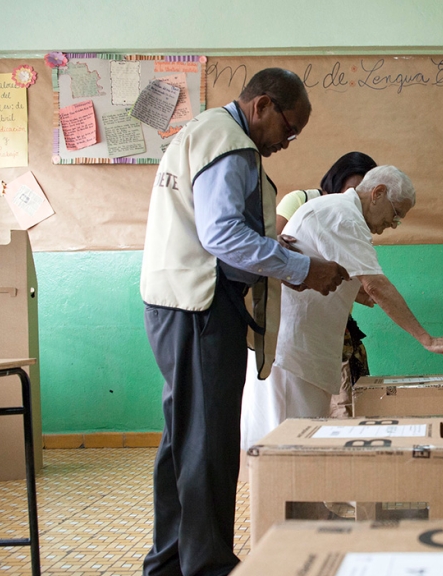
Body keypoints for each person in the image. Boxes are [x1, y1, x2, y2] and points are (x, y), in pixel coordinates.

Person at [139, 67, 349, 576]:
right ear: (262, 107)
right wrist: (302, 269)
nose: (288, 142)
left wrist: (271, 246)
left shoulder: (204, 130)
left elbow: (209, 224)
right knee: (208, 444)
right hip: (202, 308)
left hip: (174, 301)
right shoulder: (232, 145)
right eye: (289, 128)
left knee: (182, 441)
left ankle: (168, 561)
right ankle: (206, 566)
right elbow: (223, 236)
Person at [240, 165, 443, 450]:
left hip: (303, 351)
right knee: (285, 448)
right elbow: (374, 286)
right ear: (377, 193)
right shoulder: (342, 216)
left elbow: (362, 290)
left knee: (299, 446)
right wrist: (426, 339)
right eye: (396, 214)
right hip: (291, 352)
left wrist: (372, 295)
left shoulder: (339, 214)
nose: (394, 225)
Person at [272, 152, 378, 417]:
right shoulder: (302, 201)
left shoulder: (355, 218)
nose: (358, 196)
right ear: (338, 178)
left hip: (336, 322)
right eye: (355, 188)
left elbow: (349, 273)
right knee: (305, 402)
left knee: (345, 396)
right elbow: (274, 246)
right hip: (296, 320)